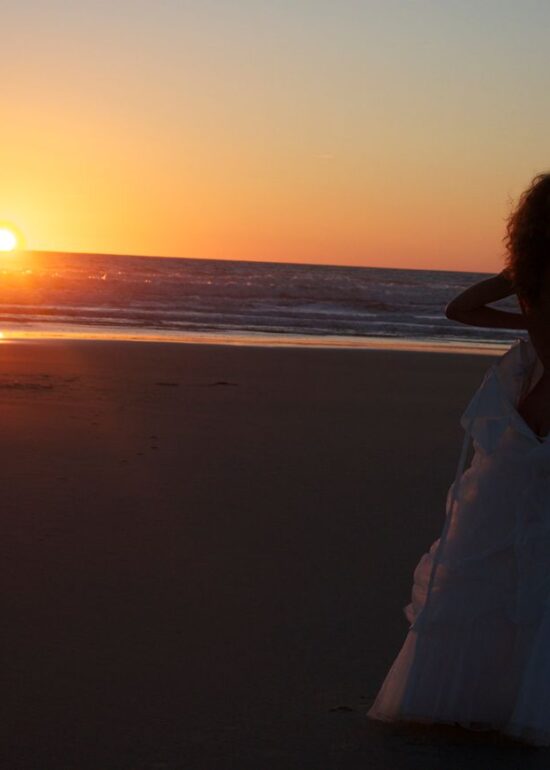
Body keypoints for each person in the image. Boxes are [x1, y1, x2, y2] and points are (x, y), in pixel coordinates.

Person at [367, 172, 550, 746]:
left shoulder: (530, 278)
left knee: (495, 555)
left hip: (528, 408)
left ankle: (482, 693)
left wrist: (525, 314)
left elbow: (461, 308)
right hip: (535, 405)